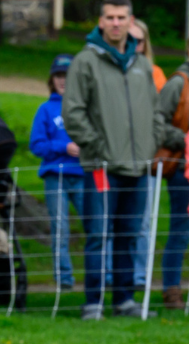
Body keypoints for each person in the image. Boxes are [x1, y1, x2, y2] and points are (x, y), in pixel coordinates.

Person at [64, 0, 174, 319]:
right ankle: (93, 303)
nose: (115, 23)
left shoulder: (141, 64)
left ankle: (124, 300)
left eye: (121, 17)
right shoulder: (85, 61)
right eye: (110, 17)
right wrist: (97, 147)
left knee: (129, 234)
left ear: (131, 20)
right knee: (98, 234)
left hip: (138, 167)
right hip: (102, 166)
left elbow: (155, 112)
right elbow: (73, 113)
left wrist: (152, 143)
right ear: (101, 21)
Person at [29, 54, 85, 291]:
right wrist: (63, 147)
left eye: (68, 76)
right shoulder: (46, 109)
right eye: (59, 76)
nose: (63, 81)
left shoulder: (84, 107)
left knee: (96, 225)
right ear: (52, 80)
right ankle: (64, 279)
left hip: (84, 175)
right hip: (56, 176)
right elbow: (36, 145)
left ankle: (103, 277)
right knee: (60, 228)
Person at [155, 39, 189, 310]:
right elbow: (157, 122)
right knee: (181, 229)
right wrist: (185, 139)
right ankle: (172, 291)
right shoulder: (178, 83)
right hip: (182, 168)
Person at [129, 18, 162, 289]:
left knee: (143, 222)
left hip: (146, 160)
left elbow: (159, 117)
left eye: (139, 40)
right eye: (130, 39)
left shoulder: (156, 73)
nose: (134, 45)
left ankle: (140, 277)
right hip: (115, 160)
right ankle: (111, 277)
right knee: (111, 222)